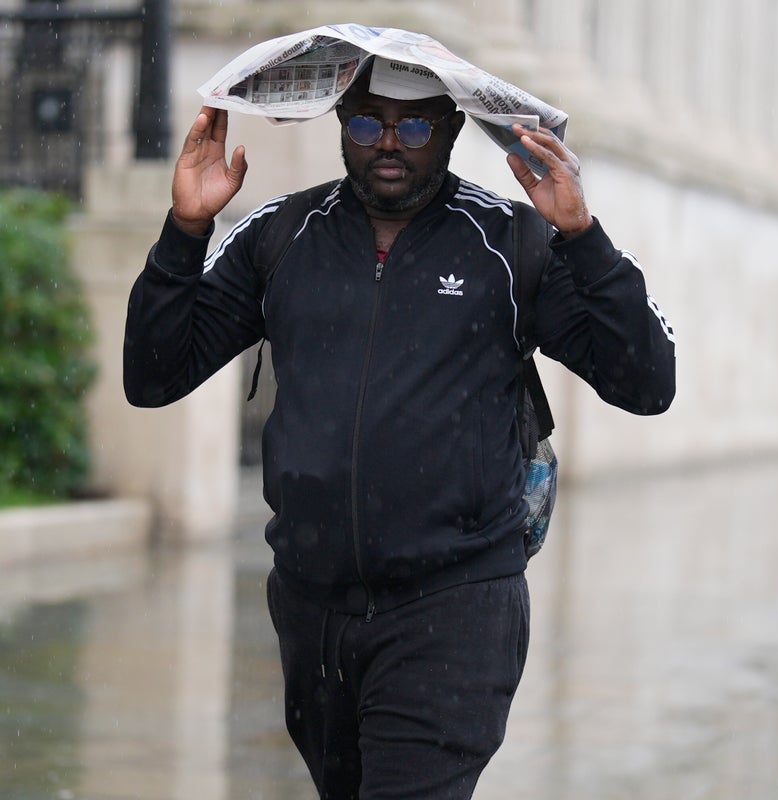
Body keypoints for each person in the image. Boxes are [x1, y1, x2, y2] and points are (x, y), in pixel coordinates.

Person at [123, 55, 676, 798]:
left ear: (449, 131)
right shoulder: (281, 235)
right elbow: (153, 376)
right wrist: (186, 230)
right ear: (340, 127)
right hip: (312, 611)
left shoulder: (513, 243)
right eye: (366, 123)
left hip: (455, 609)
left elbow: (646, 383)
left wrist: (584, 238)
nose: (389, 142)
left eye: (413, 124)